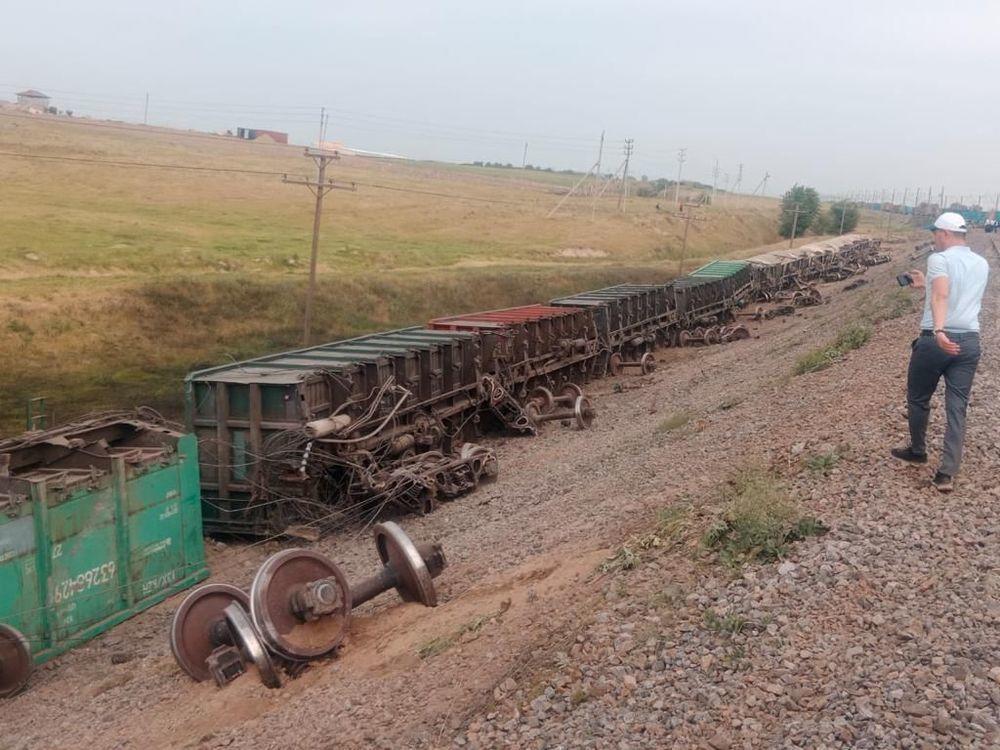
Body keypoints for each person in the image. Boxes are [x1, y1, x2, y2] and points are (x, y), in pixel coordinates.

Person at [891, 212, 989, 491]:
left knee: (918, 398)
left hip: (937, 341)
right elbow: (949, 296)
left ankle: (918, 451)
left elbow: (943, 295)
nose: (934, 238)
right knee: (957, 406)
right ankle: (947, 472)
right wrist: (925, 288)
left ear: (945, 233)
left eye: (936, 233)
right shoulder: (981, 263)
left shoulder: (939, 259)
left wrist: (939, 332)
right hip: (970, 341)